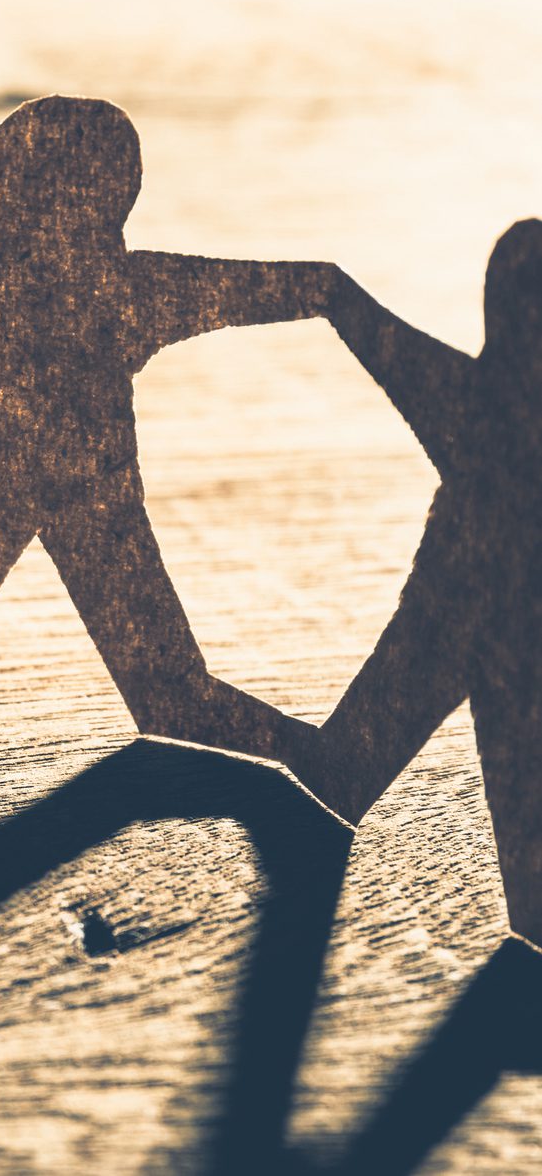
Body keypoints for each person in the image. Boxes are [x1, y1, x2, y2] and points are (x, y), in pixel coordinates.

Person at [0, 95, 345, 754]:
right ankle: (313, 757)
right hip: (91, 499)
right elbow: (299, 287)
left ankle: (311, 756)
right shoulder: (131, 289)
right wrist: (339, 299)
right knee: (167, 694)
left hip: (16, 492)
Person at [174, 222, 542, 942]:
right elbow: (359, 318)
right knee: (517, 842)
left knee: (343, 777)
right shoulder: (467, 400)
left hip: (446, 616)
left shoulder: (465, 399)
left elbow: (362, 321)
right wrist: (337, 297)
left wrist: (333, 294)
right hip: (509, 633)